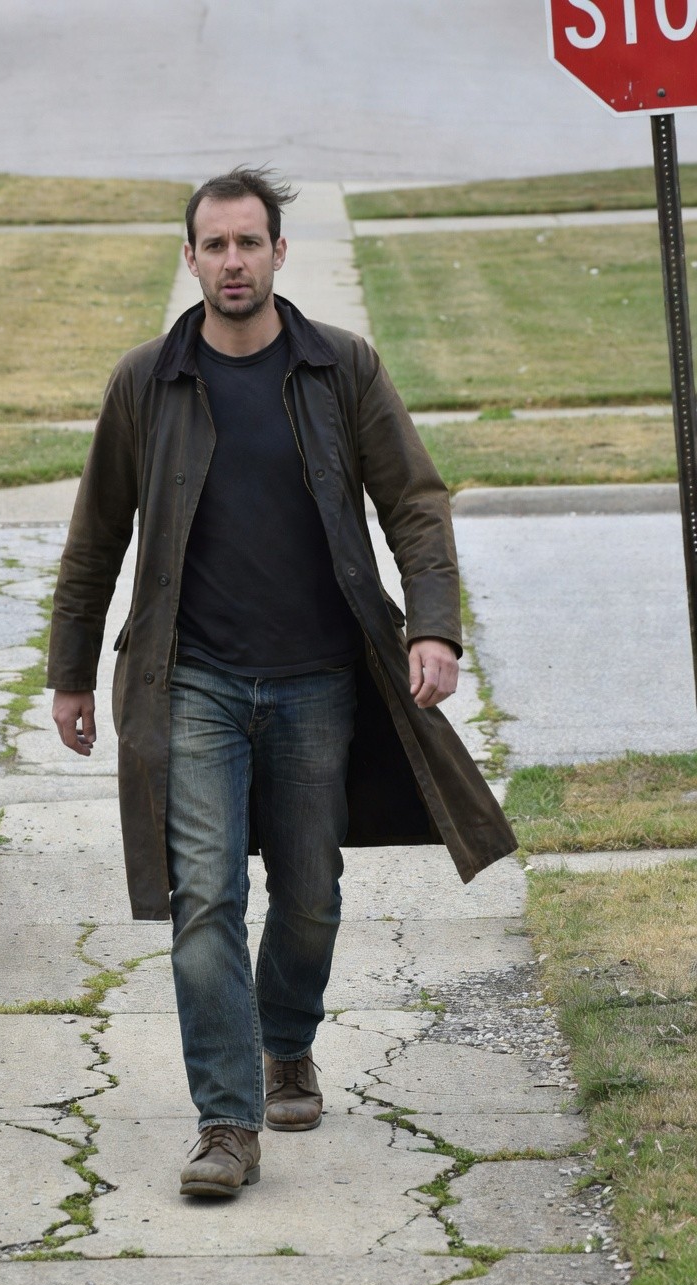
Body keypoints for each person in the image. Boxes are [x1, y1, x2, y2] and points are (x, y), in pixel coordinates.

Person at [48, 166, 517, 1199]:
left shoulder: (340, 367)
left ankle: (287, 1039)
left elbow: (414, 502)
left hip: (318, 682)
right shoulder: (147, 383)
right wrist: (71, 673)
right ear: (190, 258)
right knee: (205, 898)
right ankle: (226, 1123)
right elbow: (96, 537)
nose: (233, 262)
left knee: (309, 895)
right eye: (214, 245)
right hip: (193, 683)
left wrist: (433, 627)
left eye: (248, 243)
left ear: (277, 253)